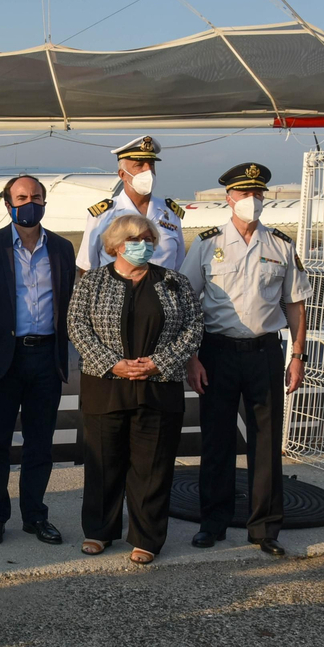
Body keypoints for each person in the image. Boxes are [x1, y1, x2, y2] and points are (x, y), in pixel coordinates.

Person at [180, 162, 308, 557]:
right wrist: (191, 358)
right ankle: (212, 522)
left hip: (264, 353)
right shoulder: (206, 243)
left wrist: (298, 355)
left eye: (257, 194)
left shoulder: (281, 245)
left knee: (266, 442)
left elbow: (296, 304)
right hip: (216, 352)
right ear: (228, 198)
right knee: (216, 440)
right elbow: (187, 302)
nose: (251, 201)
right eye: (243, 193)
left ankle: (265, 528)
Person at [70, 214, 202, 563]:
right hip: (106, 385)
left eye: (146, 238)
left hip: (158, 386)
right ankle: (99, 531)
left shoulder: (173, 282)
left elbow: (193, 327)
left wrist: (160, 362)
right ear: (114, 245)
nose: (142, 245)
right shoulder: (92, 282)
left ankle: (147, 537)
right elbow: (77, 326)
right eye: (133, 239)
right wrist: (113, 363)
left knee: (153, 465)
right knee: (103, 463)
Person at [0, 175, 76, 547]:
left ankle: (35, 516)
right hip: (2, 357)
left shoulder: (61, 248)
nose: (30, 202)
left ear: (45, 202)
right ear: (7, 202)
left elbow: (67, 299)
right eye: (22, 197)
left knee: (39, 443)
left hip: (46, 356)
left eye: (36, 197)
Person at [76, 135, 185, 274]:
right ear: (122, 174)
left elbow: (180, 265)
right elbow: (87, 267)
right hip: (116, 293)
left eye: (151, 164)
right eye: (139, 165)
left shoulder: (169, 213)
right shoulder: (104, 214)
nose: (148, 171)